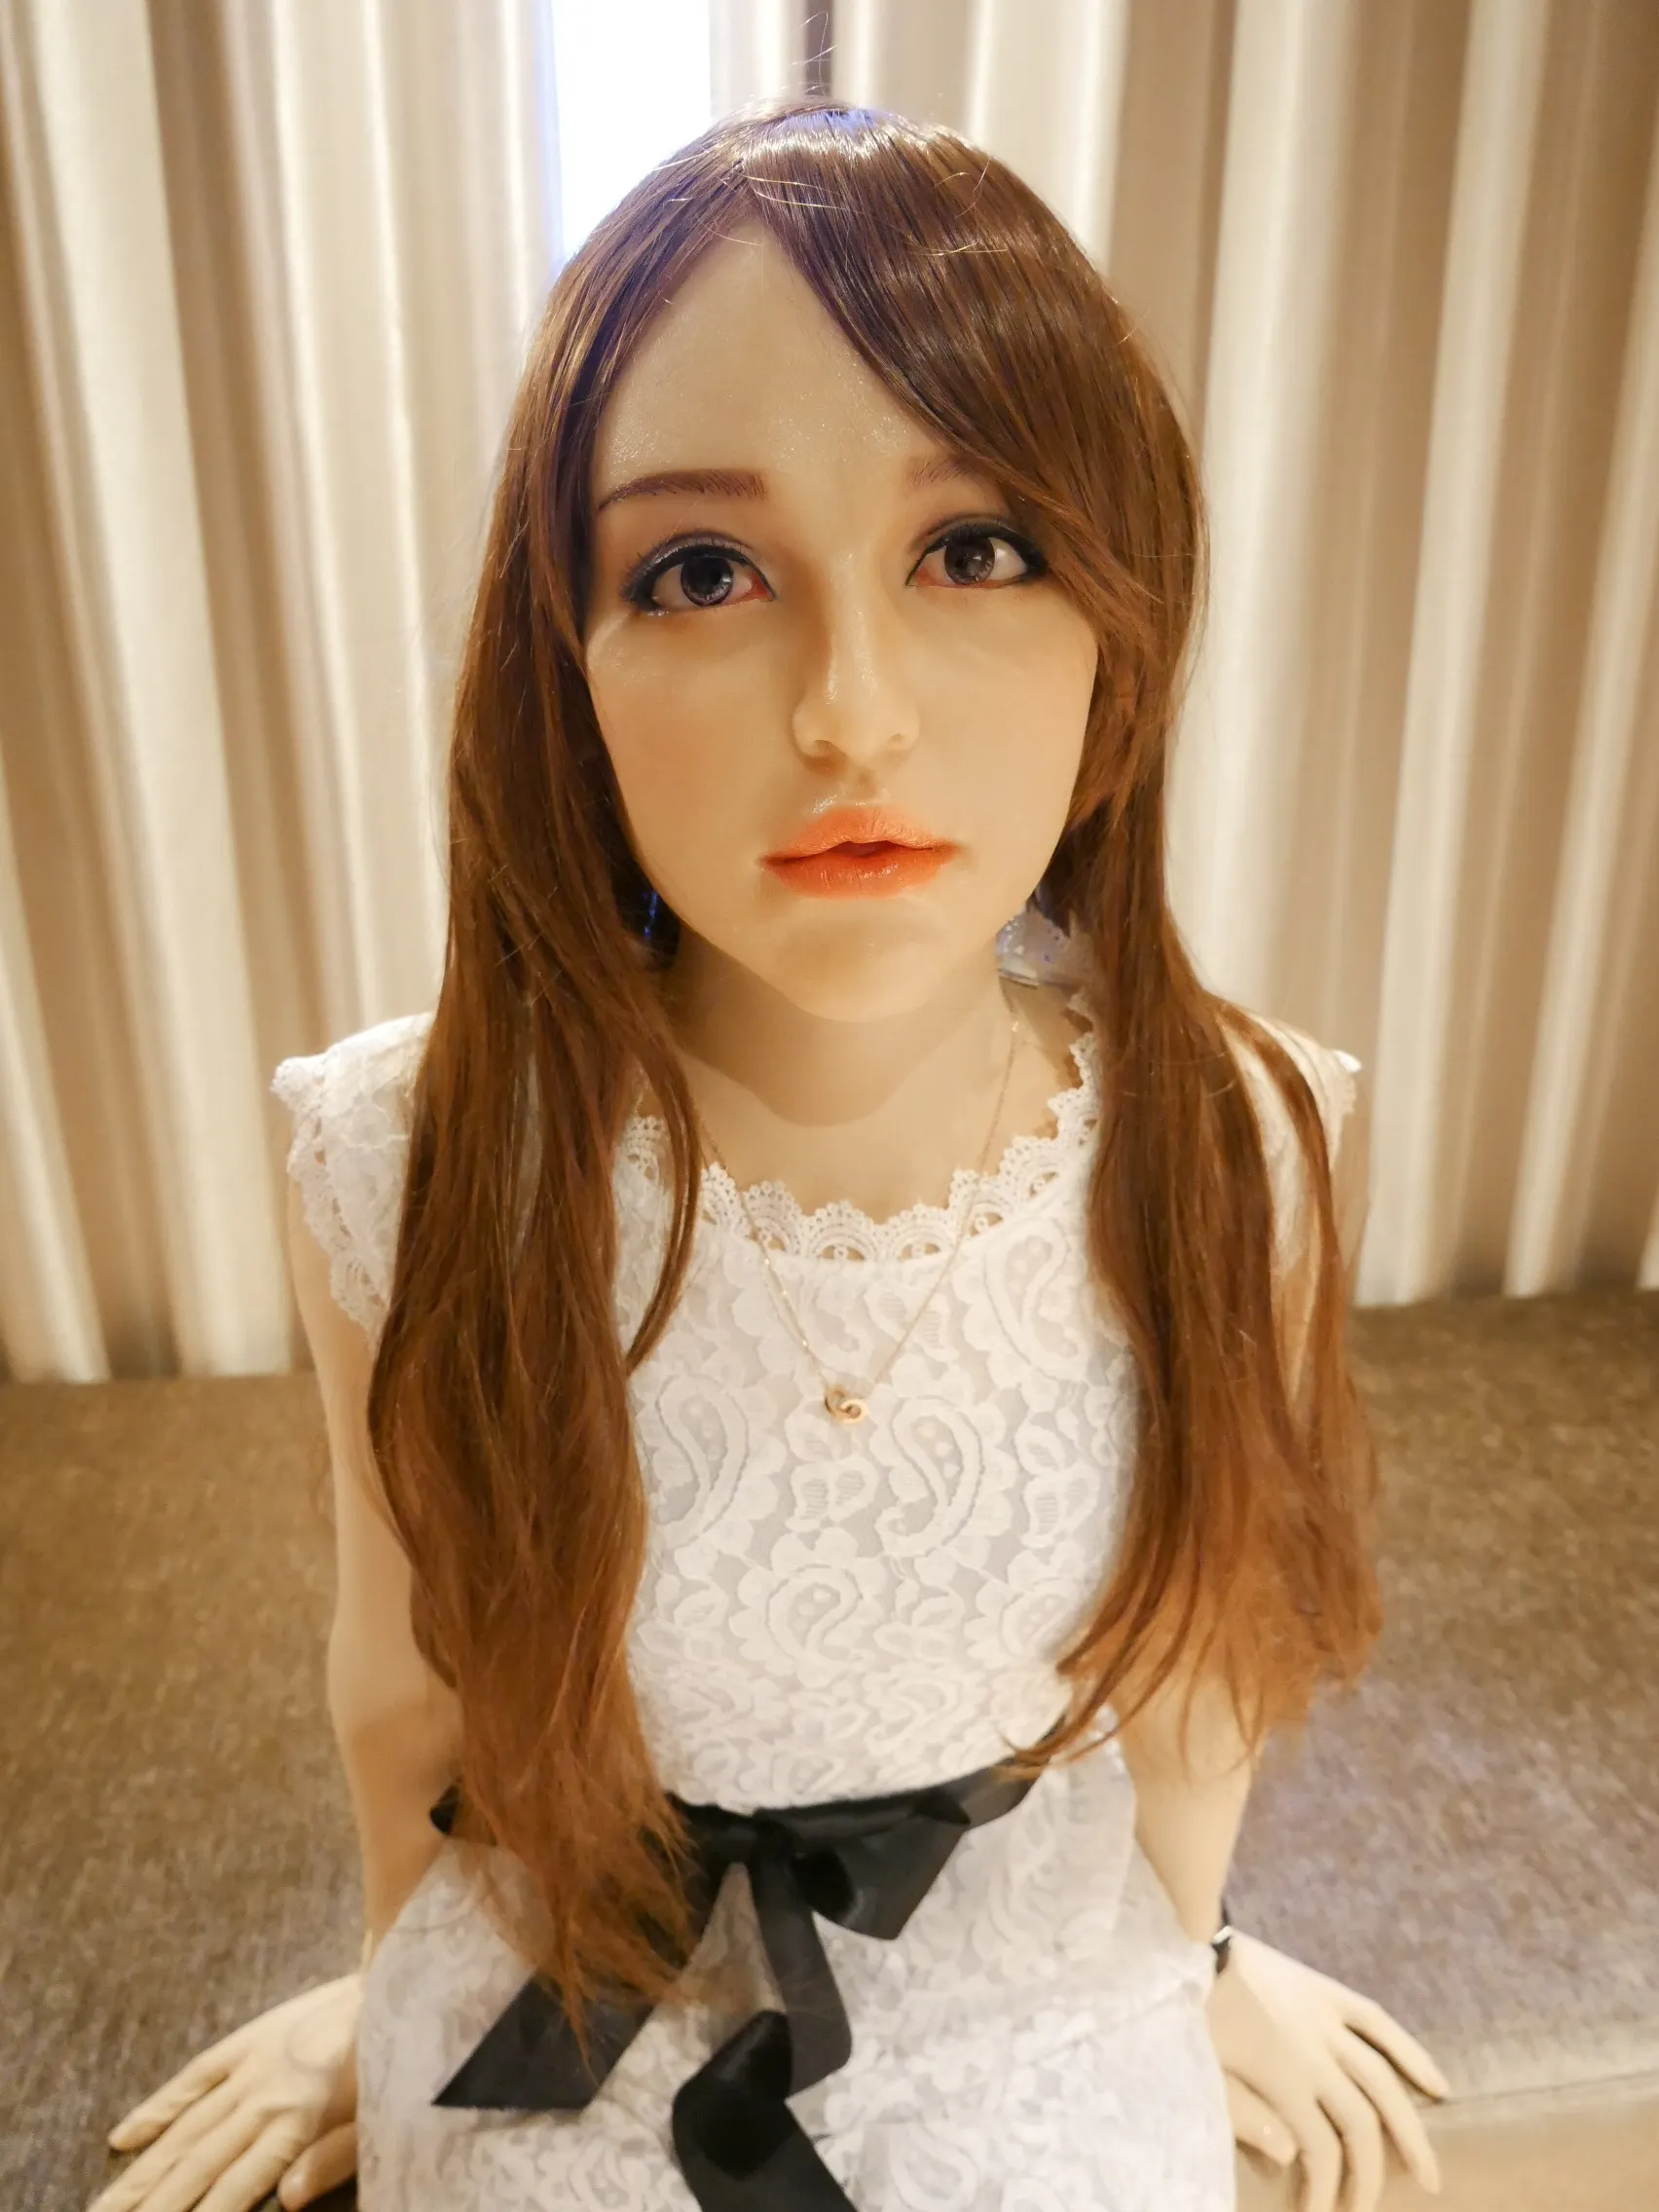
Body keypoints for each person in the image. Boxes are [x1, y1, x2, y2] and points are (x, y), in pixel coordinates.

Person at [89, 97, 1451, 2212]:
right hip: (570, 1958)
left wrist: (1190, 1962)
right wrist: (386, 1991)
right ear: (568, 660)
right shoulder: (411, 1149)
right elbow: (408, 1690)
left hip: (1033, 1971)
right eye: (703, 571)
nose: (853, 712)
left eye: (973, 548)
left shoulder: (1236, 1131)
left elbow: (1200, 1679)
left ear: (1121, 622)